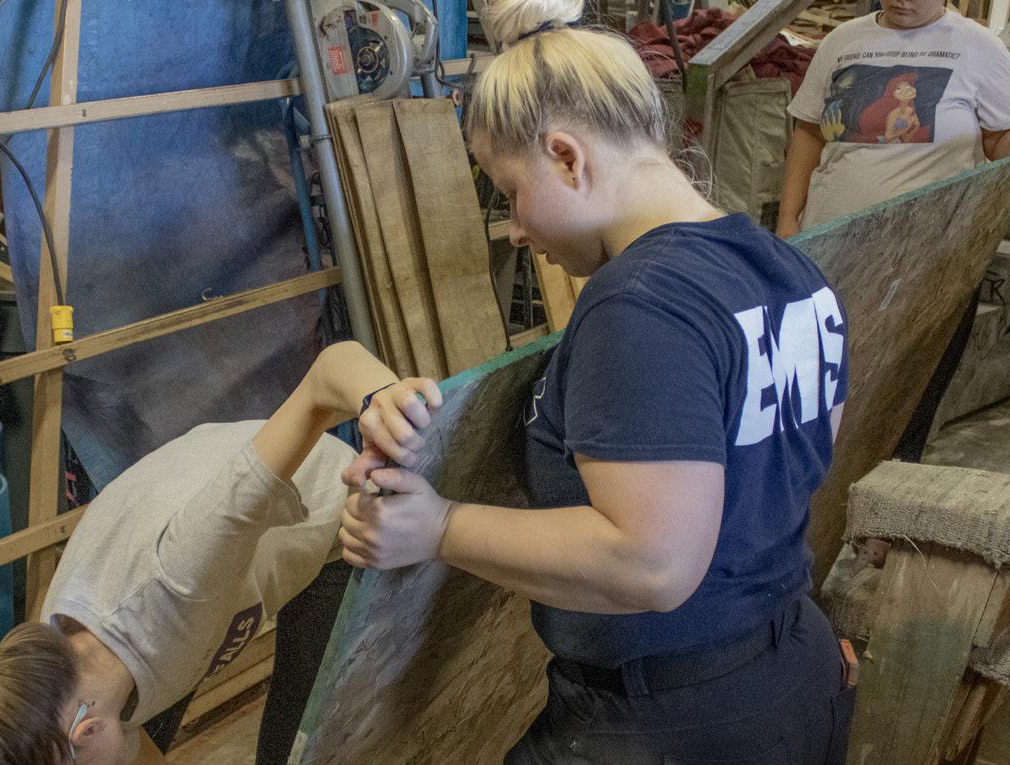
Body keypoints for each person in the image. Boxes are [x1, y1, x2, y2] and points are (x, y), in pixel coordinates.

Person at [336, 0, 854, 762]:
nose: (517, 230)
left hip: (668, 723)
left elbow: (651, 561)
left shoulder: (637, 303)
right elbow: (795, 465)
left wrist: (436, 526)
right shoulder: (792, 272)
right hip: (792, 673)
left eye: (511, 191)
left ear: (568, 158)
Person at [0, 341, 440, 765]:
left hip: (331, 521)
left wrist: (385, 402)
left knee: (302, 730)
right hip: (182, 585)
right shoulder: (46, 677)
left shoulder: (182, 570)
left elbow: (330, 370)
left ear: (86, 733)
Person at [776, 0, 1010, 463]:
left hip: (929, 262)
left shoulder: (980, 48)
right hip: (832, 248)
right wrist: (789, 222)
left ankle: (880, 500)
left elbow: (1000, 141)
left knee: (903, 398)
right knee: (812, 390)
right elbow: (809, 133)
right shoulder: (842, 41)